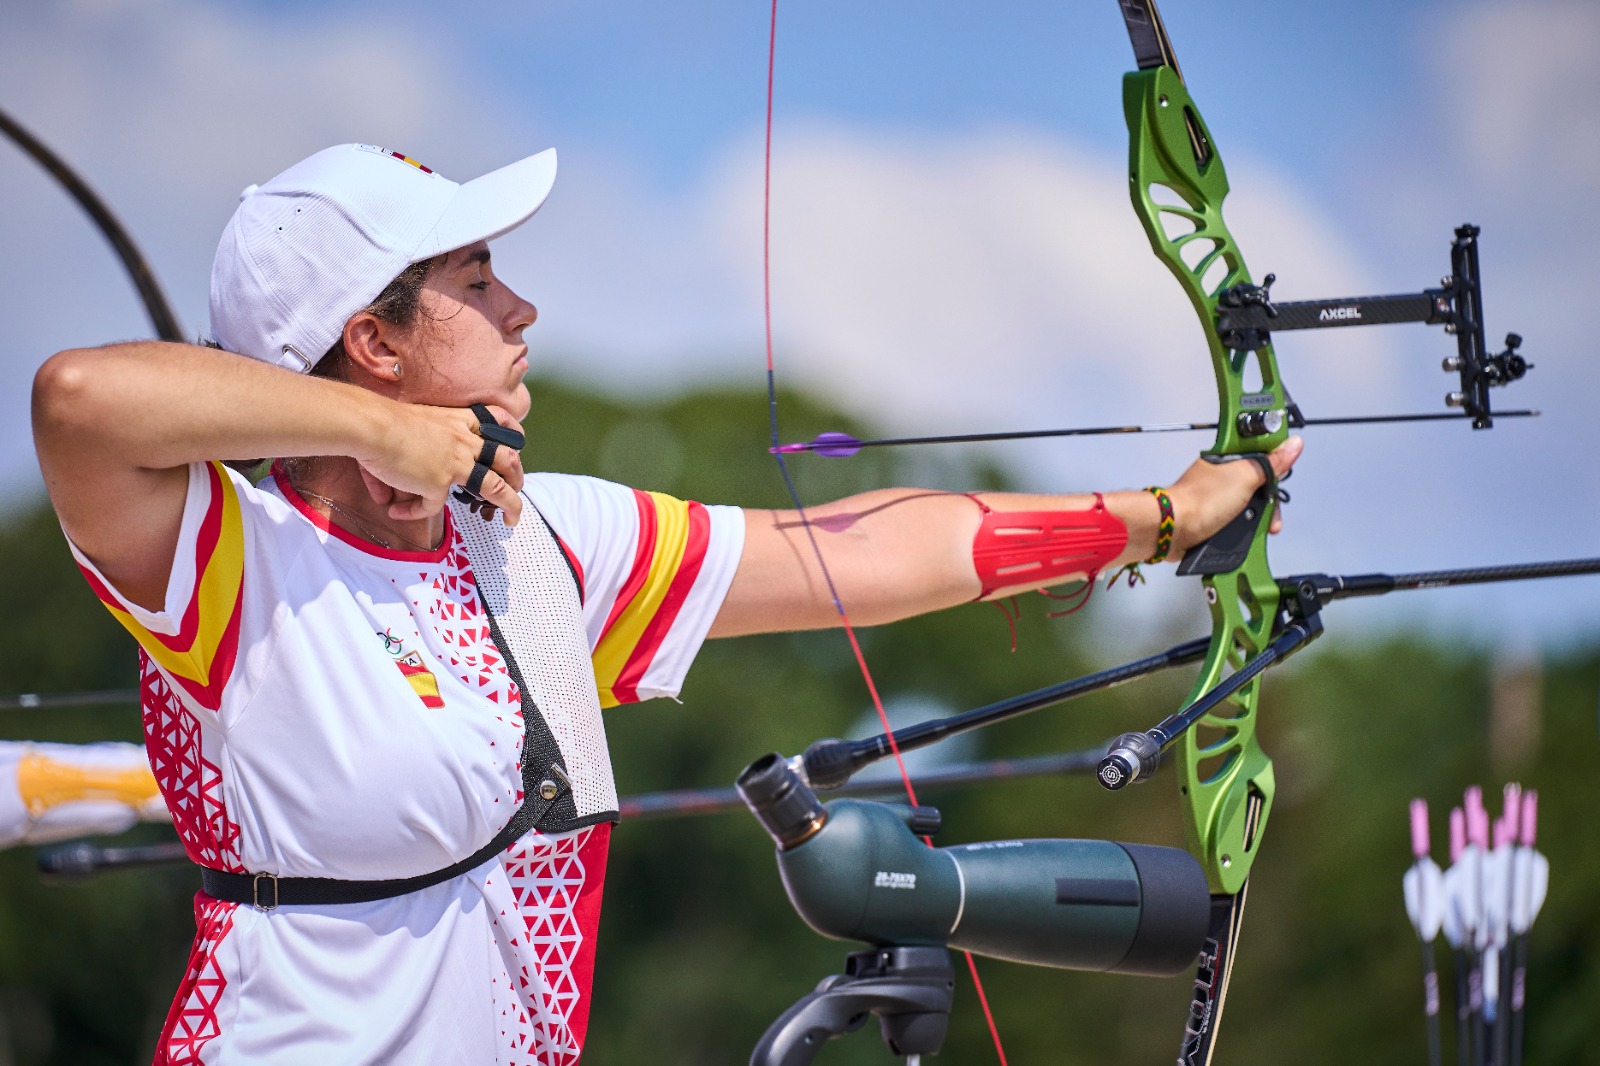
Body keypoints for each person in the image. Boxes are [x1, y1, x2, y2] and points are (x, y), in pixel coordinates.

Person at [31, 142, 1301, 1065]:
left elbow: (847, 554)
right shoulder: (234, 567)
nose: (521, 308)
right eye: (478, 281)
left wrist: (1160, 514)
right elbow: (79, 400)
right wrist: (386, 437)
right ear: (375, 342)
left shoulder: (537, 540)